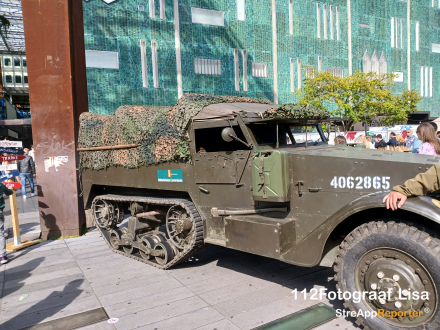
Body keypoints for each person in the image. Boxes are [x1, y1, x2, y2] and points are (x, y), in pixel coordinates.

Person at [0, 182, 13, 264]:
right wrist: (11, 190)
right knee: (0, 234)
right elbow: (9, 192)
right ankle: (2, 256)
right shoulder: (1, 185)